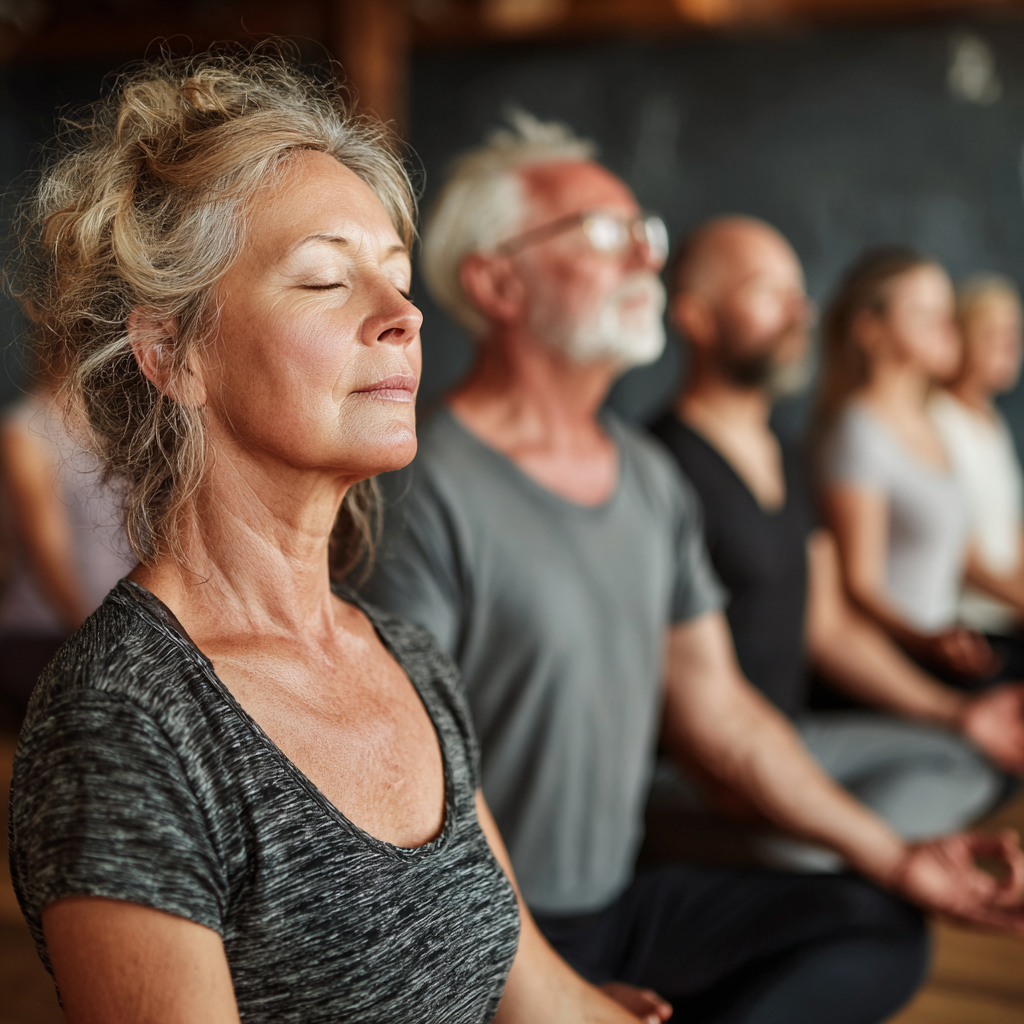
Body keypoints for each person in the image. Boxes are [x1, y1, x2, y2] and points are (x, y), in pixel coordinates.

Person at [7, 54, 652, 1024]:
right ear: (171, 352)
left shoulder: (409, 660)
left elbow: (541, 994)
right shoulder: (124, 723)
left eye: (398, 278)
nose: (404, 316)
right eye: (324, 279)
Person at [363, 113, 1024, 1023]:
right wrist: (551, 995)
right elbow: (407, 776)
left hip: (608, 908)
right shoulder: (417, 482)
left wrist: (899, 858)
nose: (646, 257)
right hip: (476, 937)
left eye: (646, 232)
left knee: (878, 925)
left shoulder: (649, 478)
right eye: (605, 234)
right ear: (497, 281)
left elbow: (722, 715)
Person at [650, 216, 1022, 850]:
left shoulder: (788, 455)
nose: (800, 311)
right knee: (863, 879)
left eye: (798, 293)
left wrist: (960, 714)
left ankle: (833, 851)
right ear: (695, 318)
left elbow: (829, 628)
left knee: (973, 760)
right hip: (706, 763)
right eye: (767, 292)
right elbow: (690, 702)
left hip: (798, 737)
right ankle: (838, 854)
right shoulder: (658, 468)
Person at [816, 247, 1010, 684]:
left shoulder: (931, 422)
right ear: (870, 329)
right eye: (924, 314)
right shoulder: (857, 431)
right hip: (897, 658)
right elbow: (858, 584)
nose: (947, 327)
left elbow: (963, 555)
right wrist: (928, 641)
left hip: (946, 640)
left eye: (946, 312)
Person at [0, 388, 135, 714]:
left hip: (122, 629)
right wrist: (100, 641)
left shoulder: (130, 423)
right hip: (45, 632)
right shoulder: (27, 429)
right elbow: (48, 558)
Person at [931, 275, 1024, 654]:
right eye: (992, 334)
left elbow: (1011, 532)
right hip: (966, 626)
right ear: (960, 339)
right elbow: (956, 552)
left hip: (1005, 614)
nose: (1009, 346)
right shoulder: (936, 419)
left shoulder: (993, 422)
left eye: (1013, 332)